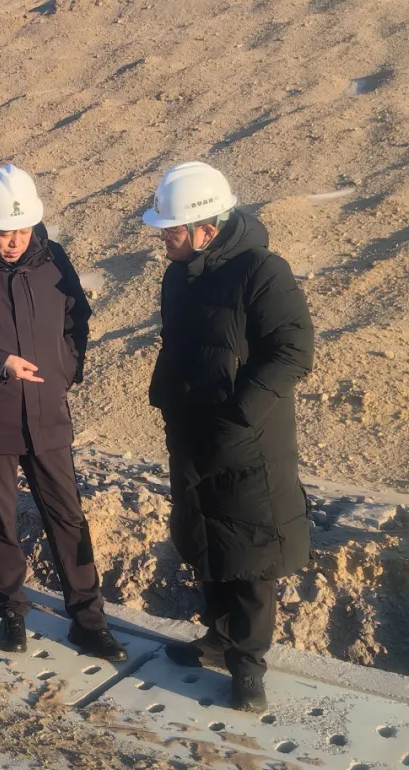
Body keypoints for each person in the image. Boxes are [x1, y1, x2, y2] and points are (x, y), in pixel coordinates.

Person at [0, 164, 127, 661]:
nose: (14, 241)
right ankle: (12, 611)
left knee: (68, 516)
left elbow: (77, 317)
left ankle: (88, 620)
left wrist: (65, 370)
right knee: (0, 518)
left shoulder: (52, 258)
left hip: (47, 412)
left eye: (22, 229)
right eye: (3, 232)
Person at [144, 161, 315, 713]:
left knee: (249, 552)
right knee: (206, 540)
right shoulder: (180, 273)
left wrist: (241, 414)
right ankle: (218, 639)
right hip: (192, 432)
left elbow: (292, 350)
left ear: (207, 229)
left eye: (171, 230)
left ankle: (249, 666)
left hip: (248, 440)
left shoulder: (262, 271)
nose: (164, 240)